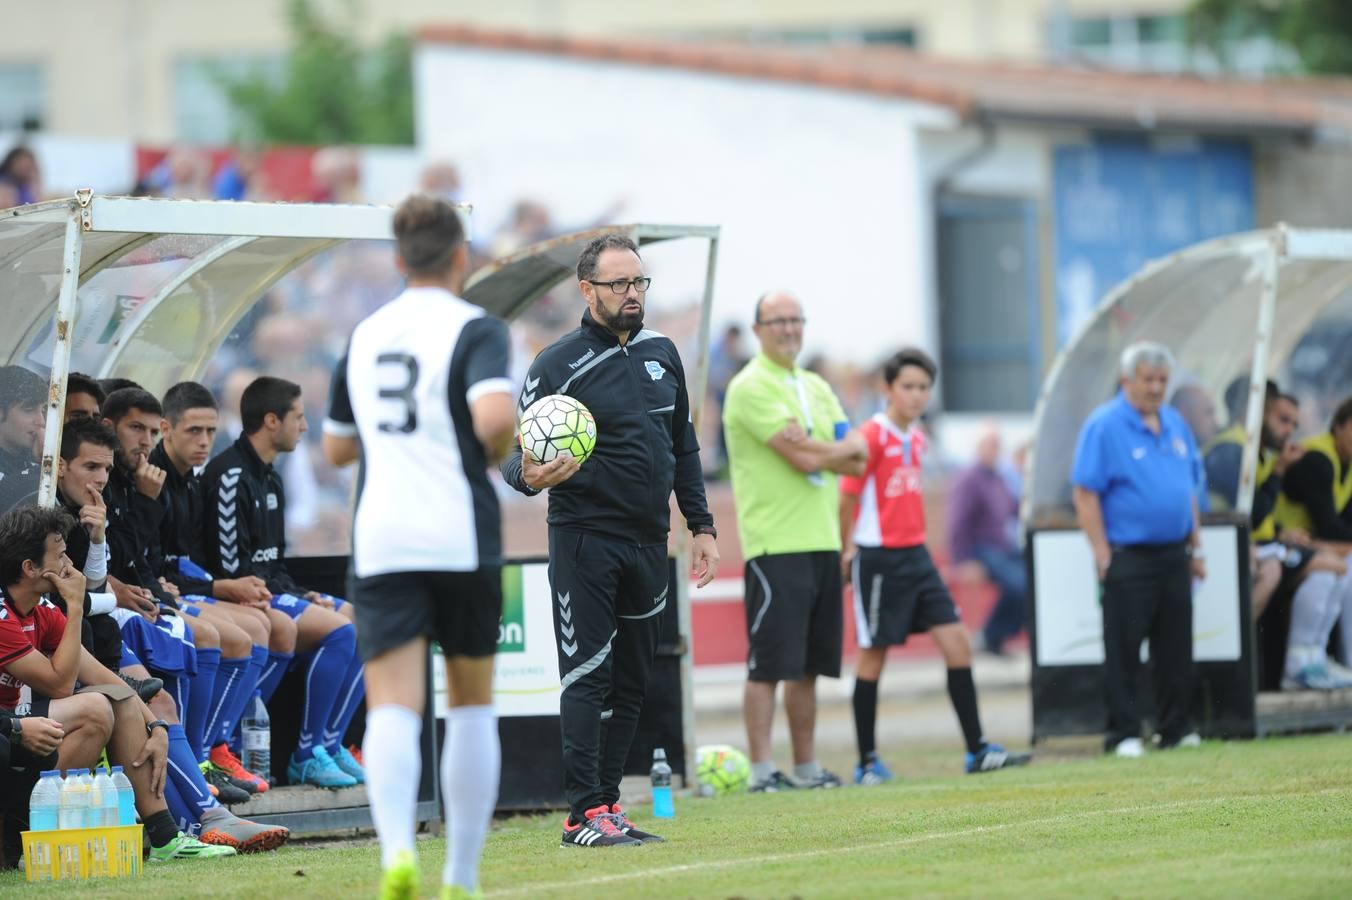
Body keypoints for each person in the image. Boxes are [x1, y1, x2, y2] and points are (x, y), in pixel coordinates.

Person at [322, 193, 516, 898]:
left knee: (394, 704)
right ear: (462, 256)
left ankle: (396, 853)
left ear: (400, 260)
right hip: (458, 533)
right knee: (469, 704)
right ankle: (461, 875)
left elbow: (338, 446)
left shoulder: (367, 333)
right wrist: (507, 443)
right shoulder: (478, 329)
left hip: (384, 536)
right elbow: (493, 417)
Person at [501, 234, 719, 848]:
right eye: (620, 284)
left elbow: (684, 447)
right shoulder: (555, 364)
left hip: (651, 543)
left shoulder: (662, 353)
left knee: (632, 682)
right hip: (584, 542)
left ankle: (609, 807)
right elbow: (514, 460)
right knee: (586, 677)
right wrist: (529, 476)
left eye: (639, 283)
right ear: (587, 289)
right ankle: (581, 815)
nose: (632, 294)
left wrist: (700, 526)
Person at [0, 505, 235, 861]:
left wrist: (155, 725)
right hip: (7, 727)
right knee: (95, 708)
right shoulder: (3, 615)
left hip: (15, 720)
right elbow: (60, 685)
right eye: (61, 557)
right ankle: (26, 831)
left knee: (118, 700)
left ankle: (164, 838)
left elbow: (100, 675)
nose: (71, 568)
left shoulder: (39, 609)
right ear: (30, 568)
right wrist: (76, 605)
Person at [842, 350, 1031, 782]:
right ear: (887, 389)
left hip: (917, 556)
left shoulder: (919, 438)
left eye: (923, 387)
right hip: (878, 558)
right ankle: (867, 762)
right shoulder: (870, 437)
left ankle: (977, 750)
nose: (916, 395)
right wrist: (845, 549)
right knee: (873, 657)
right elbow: (847, 496)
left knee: (957, 643)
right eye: (907, 386)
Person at [721, 289, 865, 793]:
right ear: (758, 329)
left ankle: (805, 767)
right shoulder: (749, 387)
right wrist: (830, 451)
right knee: (769, 664)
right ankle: (762, 770)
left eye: (795, 319)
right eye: (776, 320)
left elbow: (859, 456)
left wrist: (820, 449)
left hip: (822, 539)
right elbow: (804, 459)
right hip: (774, 543)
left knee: (809, 665)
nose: (788, 329)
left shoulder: (816, 386)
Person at [201, 376, 365, 788]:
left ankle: (331, 744)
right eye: (298, 416)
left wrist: (299, 594)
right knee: (342, 633)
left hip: (271, 591)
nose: (305, 426)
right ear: (271, 420)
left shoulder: (271, 475)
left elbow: (272, 561)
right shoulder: (230, 475)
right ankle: (306, 753)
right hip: (235, 598)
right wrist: (280, 595)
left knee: (365, 623)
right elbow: (230, 568)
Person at [153, 381, 297, 793]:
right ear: (168, 429)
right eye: (193, 431)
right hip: (159, 598)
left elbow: (187, 561)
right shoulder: (153, 481)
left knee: (270, 627)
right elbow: (157, 564)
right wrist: (221, 585)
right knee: (245, 632)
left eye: (210, 432)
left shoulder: (194, 481)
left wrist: (219, 584)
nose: (203, 442)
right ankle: (205, 751)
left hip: (186, 590)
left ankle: (222, 745)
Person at [1071, 341, 1206, 758]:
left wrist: (1196, 546)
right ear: (1127, 380)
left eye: (1162, 380)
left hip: (1173, 553)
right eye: (1148, 379)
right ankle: (1123, 733)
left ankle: (1175, 727)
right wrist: (1101, 551)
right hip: (1128, 554)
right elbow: (1085, 493)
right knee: (1125, 649)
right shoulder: (1104, 425)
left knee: (1175, 646)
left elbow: (1189, 490)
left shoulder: (1175, 423)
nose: (1155, 387)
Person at [1274, 395, 1352, 675]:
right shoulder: (1318, 459)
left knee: (1343, 562)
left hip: (1310, 543)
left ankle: (1319, 656)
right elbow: (1330, 525)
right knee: (1336, 570)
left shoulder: (1347, 464)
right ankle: (1302, 661)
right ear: (1339, 425)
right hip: (1281, 540)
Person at [947, 427, 1026, 656]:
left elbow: (1013, 510)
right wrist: (961, 560)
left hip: (1002, 547)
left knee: (1032, 581)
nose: (994, 450)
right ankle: (991, 635)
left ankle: (998, 637)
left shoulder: (998, 478)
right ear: (978, 447)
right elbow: (957, 522)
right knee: (1018, 585)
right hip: (981, 549)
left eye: (997, 445)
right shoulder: (969, 478)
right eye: (989, 445)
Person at [0, 365, 45, 515]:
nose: (41, 421)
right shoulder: (36, 466)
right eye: (29, 409)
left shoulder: (33, 460)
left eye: (43, 411)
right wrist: (45, 469)